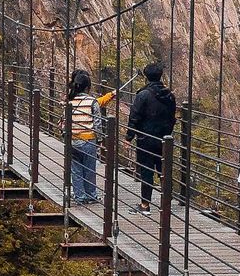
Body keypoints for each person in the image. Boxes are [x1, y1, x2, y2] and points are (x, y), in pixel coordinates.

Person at [126, 61, 176, 214]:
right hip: (164, 140)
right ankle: (166, 204)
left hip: (146, 139)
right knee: (164, 172)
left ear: (146, 77)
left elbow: (134, 116)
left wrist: (129, 137)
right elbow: (172, 117)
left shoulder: (143, 95)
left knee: (147, 171)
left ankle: (145, 205)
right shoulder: (169, 96)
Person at [66, 70, 116, 204]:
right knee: (89, 168)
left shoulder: (70, 101)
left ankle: (79, 197)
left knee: (76, 170)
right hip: (88, 140)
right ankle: (91, 195)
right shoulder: (92, 101)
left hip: (73, 140)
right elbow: (97, 122)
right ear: (88, 87)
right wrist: (100, 139)